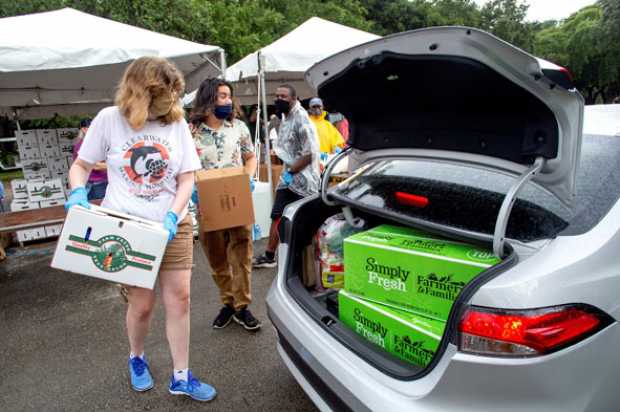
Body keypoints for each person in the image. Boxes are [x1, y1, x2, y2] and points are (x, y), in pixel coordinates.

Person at [66, 57, 216, 402]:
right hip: (127, 226)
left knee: (180, 298)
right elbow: (82, 165)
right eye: (166, 95)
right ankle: (136, 358)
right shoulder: (109, 120)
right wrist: (77, 191)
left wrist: (173, 216)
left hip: (172, 224)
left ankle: (181, 375)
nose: (172, 102)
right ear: (142, 91)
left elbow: (187, 177)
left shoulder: (175, 122)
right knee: (143, 304)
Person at [190, 78, 261, 331]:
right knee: (217, 258)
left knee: (242, 256)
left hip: (236, 201)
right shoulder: (191, 132)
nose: (228, 100)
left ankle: (242, 307)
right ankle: (228, 303)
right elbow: (184, 169)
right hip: (207, 206)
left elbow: (250, 157)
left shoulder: (239, 127)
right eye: (222, 95)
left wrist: (248, 177)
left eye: (229, 95)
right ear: (208, 99)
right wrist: (192, 191)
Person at [253, 84, 320, 268]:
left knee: (304, 221)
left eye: (283, 96)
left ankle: (309, 260)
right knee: (277, 214)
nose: (278, 99)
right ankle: (269, 255)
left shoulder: (302, 119)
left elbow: (311, 153)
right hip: (288, 177)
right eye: (276, 96)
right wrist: (287, 174)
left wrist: (291, 173)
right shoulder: (286, 117)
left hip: (304, 181)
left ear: (294, 98)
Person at [72, 118, 108, 200]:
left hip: (102, 182)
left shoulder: (95, 144)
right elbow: (95, 165)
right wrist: (116, 165)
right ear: (84, 129)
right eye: (93, 127)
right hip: (95, 185)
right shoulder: (81, 146)